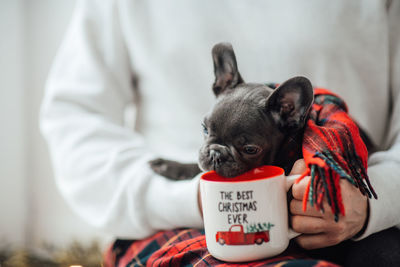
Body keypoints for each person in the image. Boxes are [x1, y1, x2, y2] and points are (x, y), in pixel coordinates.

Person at [40, 0, 400, 265]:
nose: (214, 154)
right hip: (177, 219)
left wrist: (371, 201)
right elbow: (74, 118)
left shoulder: (322, 132)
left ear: (291, 112)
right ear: (221, 82)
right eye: (208, 135)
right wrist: (182, 198)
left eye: (246, 149)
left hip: (354, 209)